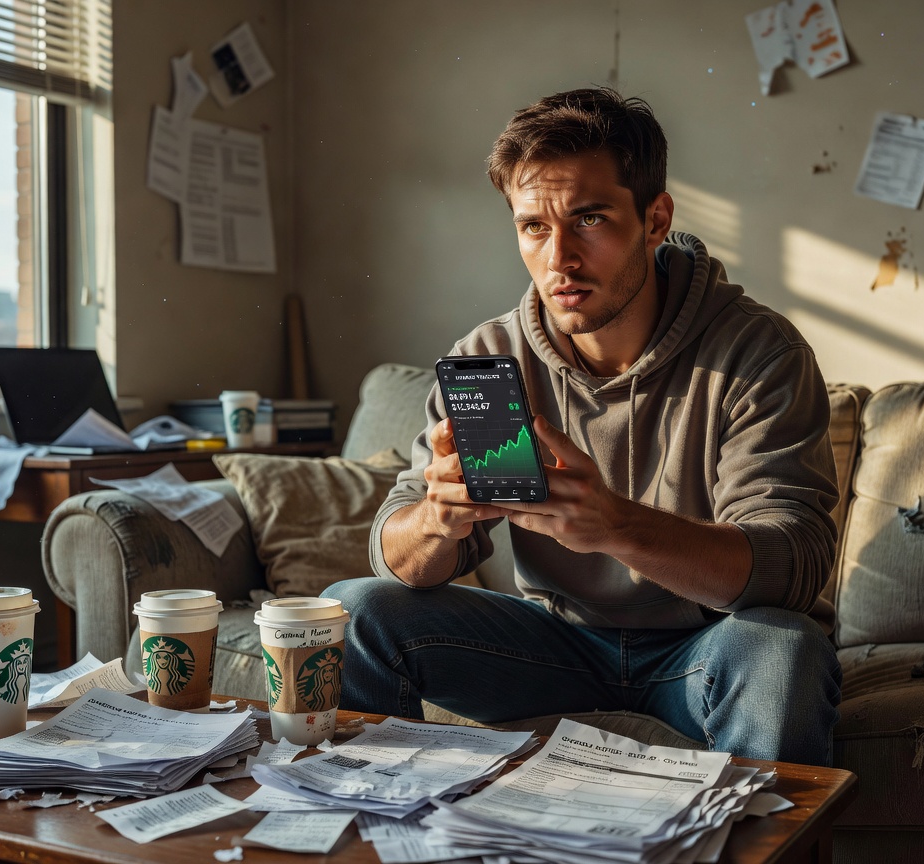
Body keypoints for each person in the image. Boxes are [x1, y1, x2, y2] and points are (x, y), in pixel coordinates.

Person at [323, 87, 841, 765]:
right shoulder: (489, 359)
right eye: (533, 226)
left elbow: (792, 568)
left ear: (655, 220)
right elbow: (393, 556)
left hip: (709, 647)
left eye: (589, 219)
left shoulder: (757, 353)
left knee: (784, 650)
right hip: (554, 646)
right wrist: (437, 519)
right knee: (354, 611)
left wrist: (615, 526)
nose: (558, 258)